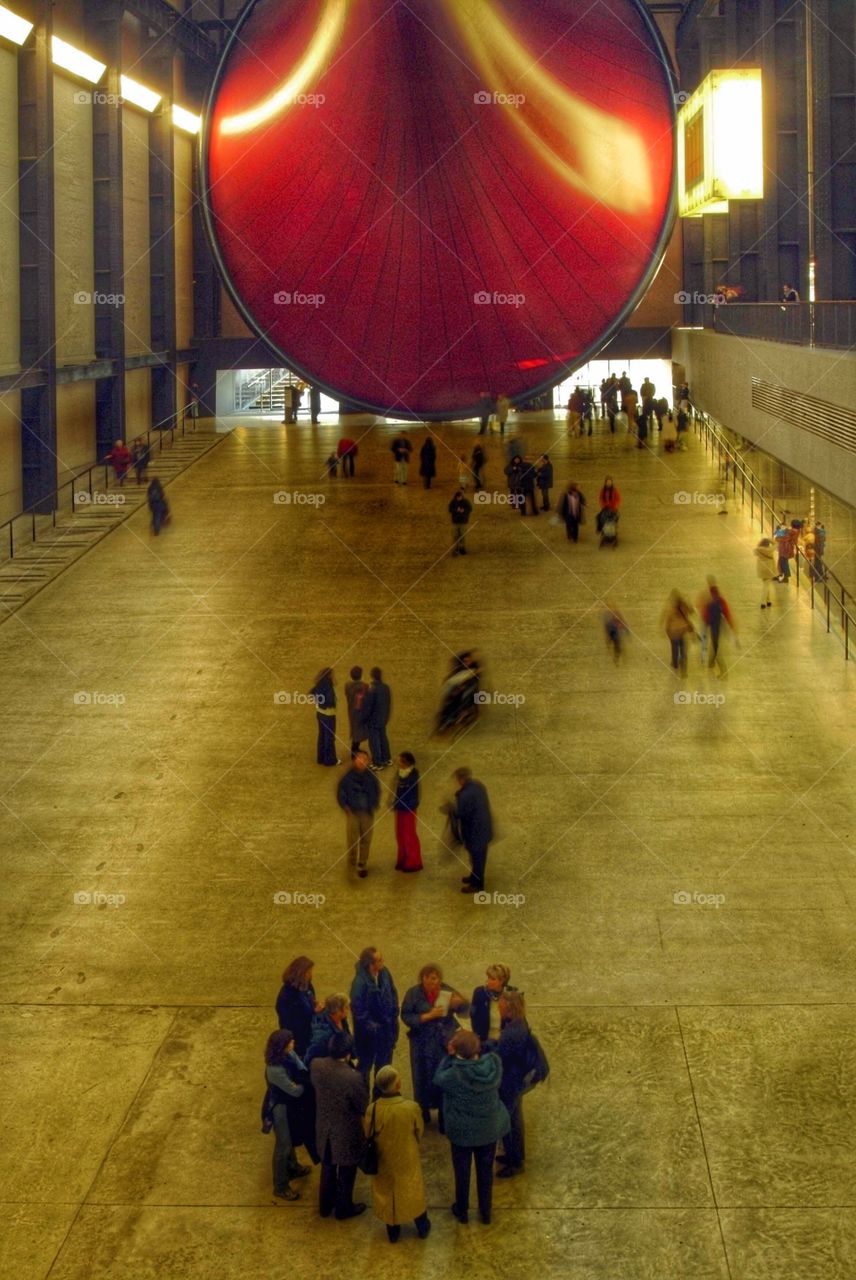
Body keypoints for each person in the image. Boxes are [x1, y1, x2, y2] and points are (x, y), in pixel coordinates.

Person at [434, 1029, 509, 1226]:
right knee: (485, 1172)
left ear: (457, 1050)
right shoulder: (493, 1065)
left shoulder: (454, 1074)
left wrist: (448, 1057)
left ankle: (462, 1210)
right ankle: (486, 1212)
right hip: (488, 1128)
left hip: (462, 1132)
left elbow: (438, 1079)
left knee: (462, 1171)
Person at [365, 1065, 431, 1242]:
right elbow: (419, 1131)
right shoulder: (411, 1107)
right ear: (397, 1085)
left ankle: (393, 1232)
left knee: (388, 1194)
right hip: (407, 1157)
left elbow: (367, 1132)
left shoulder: (373, 1109)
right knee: (412, 1191)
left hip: (383, 1158)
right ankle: (422, 1226)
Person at [311, 1031, 369, 1220]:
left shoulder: (317, 1066)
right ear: (348, 1052)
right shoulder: (352, 1078)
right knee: (346, 1171)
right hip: (346, 1132)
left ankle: (325, 1205)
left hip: (324, 1129)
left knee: (327, 1167)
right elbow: (362, 1106)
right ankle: (344, 1208)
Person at [400, 964, 468, 1125]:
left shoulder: (447, 991)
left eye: (435, 979)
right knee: (421, 1078)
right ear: (422, 978)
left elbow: (465, 1011)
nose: (432, 982)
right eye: (429, 978)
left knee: (443, 1077)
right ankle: (422, 1115)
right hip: (421, 1043)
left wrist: (460, 1003)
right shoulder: (413, 993)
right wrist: (427, 1016)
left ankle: (445, 1118)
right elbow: (406, 1016)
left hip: (443, 1042)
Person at [264, 1029, 315, 1200]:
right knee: (283, 1145)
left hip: (289, 1106)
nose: (293, 1044)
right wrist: (305, 1085)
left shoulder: (288, 1054)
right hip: (280, 1108)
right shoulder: (275, 1069)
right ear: (282, 1046)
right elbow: (294, 1091)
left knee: (290, 1138)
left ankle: (293, 1167)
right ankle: (280, 1185)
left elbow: (301, 1067)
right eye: (290, 1042)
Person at [491, 991, 538, 1178]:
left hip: (510, 1082)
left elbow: (500, 1056)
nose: (498, 1010)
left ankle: (514, 1160)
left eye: (501, 1007)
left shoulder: (511, 1033)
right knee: (515, 1118)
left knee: (509, 1121)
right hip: (518, 1079)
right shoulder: (519, 1024)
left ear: (508, 1009)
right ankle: (516, 1155)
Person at [350, 948, 399, 1085]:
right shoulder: (359, 983)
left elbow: (393, 993)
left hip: (386, 1032)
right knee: (365, 1069)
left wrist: (394, 1013)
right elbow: (358, 1011)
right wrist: (374, 1027)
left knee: (383, 1070)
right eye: (379, 960)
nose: (383, 962)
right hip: (368, 1036)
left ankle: (380, 1101)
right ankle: (362, 1102)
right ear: (370, 964)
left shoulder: (384, 973)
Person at [337, 749, 380, 878]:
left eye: (365, 760)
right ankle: (352, 863)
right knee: (352, 840)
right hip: (353, 813)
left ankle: (362, 863)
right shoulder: (347, 778)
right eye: (360, 759)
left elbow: (376, 791)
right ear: (354, 760)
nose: (363, 762)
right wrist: (345, 806)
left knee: (366, 840)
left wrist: (373, 804)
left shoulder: (371, 777)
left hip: (367, 813)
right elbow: (341, 793)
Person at [453, 767, 493, 894]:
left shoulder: (465, 795)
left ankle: (477, 884)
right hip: (484, 828)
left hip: (474, 831)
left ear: (461, 779)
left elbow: (461, 813)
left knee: (477, 858)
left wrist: (450, 810)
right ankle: (474, 876)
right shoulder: (478, 785)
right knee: (478, 857)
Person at [276, 956, 322, 1057]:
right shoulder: (288, 994)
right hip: (298, 1039)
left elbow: (311, 1000)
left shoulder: (307, 985)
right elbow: (292, 1020)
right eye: (308, 972)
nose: (311, 975)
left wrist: (315, 1004)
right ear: (300, 973)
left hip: (308, 1034)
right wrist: (314, 1012)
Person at [700, 579, 737, 677]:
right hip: (719, 628)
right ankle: (711, 663)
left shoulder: (709, 604)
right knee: (714, 645)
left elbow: (706, 618)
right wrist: (732, 626)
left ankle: (724, 672)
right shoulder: (721, 601)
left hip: (714, 629)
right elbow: (727, 614)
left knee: (717, 651)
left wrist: (704, 628)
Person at [470, 964, 514, 1045]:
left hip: (504, 1042)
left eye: (493, 979)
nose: (488, 982)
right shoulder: (479, 992)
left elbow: (516, 1020)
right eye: (488, 978)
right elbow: (473, 1016)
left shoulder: (511, 996)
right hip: (484, 1041)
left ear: (502, 980)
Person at [392, 751, 422, 871]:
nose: (397, 762)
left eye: (400, 760)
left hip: (408, 809)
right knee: (400, 834)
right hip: (401, 808)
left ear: (406, 763)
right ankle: (403, 859)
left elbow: (412, 795)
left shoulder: (411, 777)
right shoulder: (401, 773)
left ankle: (413, 862)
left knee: (409, 835)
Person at [305, 993, 352, 1066]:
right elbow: (310, 1058)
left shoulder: (342, 1020)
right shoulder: (322, 1034)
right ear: (338, 1011)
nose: (349, 1009)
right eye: (346, 1007)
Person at [661, 590, 696, 676]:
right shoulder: (684, 606)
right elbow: (692, 612)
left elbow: (667, 621)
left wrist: (667, 631)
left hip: (673, 633)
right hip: (683, 631)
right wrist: (689, 601)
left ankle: (675, 665)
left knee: (675, 649)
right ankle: (684, 672)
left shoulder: (670, 609)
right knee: (683, 651)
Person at [310, 667, 339, 766]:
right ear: (329, 675)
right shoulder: (328, 684)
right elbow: (331, 700)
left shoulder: (319, 683)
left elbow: (311, 693)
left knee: (322, 736)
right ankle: (330, 760)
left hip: (319, 713)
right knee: (329, 737)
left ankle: (321, 758)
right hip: (329, 715)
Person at [365, 667, 392, 770]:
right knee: (383, 738)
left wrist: (365, 718)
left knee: (374, 741)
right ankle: (387, 758)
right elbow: (388, 703)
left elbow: (369, 706)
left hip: (373, 719)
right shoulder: (386, 687)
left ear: (372, 676)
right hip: (383, 718)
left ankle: (378, 763)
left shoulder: (372, 689)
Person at [344, 666, 370, 752]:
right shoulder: (365, 686)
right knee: (359, 731)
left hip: (351, 710)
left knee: (355, 729)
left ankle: (355, 748)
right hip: (361, 711)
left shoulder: (347, 685)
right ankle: (354, 751)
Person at [449, 489, 472, 557]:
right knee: (455, 535)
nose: (459, 498)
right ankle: (455, 549)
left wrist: (463, 511)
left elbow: (469, 509)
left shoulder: (466, 502)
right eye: (457, 497)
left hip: (463, 522)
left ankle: (462, 548)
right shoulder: (453, 502)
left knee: (462, 535)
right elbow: (450, 509)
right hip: (455, 522)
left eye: (460, 497)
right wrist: (456, 510)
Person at [755, 538, 776, 608]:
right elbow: (776, 544)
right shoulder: (769, 550)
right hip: (768, 569)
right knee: (766, 585)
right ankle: (763, 602)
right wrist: (771, 540)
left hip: (761, 569)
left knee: (766, 584)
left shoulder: (758, 550)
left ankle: (768, 601)